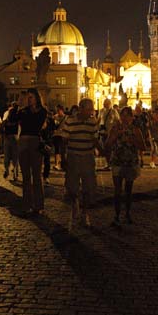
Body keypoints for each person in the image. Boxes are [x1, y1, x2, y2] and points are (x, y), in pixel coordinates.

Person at [61, 98, 101, 231]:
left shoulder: (92, 122)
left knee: (88, 187)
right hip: (73, 156)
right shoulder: (70, 121)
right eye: (89, 109)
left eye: (92, 109)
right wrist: (63, 157)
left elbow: (95, 139)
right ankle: (75, 204)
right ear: (81, 108)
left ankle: (85, 213)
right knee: (72, 187)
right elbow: (64, 140)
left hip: (87, 157)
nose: (91, 111)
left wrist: (103, 150)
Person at [105, 106, 146, 226]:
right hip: (117, 161)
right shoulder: (115, 128)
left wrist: (132, 140)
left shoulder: (136, 130)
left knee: (128, 190)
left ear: (132, 118)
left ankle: (127, 214)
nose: (125, 118)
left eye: (128, 115)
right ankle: (117, 215)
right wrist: (116, 135)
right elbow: (108, 144)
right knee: (117, 190)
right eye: (123, 115)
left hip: (130, 162)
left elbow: (143, 146)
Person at [17, 89, 47, 214]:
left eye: (31, 97)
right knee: (25, 176)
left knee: (36, 174)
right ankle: (27, 204)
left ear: (36, 98)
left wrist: (28, 111)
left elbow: (36, 125)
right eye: (27, 98)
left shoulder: (42, 111)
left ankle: (38, 205)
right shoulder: (22, 111)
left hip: (34, 141)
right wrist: (22, 106)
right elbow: (16, 121)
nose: (29, 100)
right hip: (23, 142)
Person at [97, 98, 120, 170]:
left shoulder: (113, 111)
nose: (104, 104)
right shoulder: (101, 111)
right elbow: (98, 120)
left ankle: (112, 163)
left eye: (106, 103)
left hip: (111, 133)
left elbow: (118, 120)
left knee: (111, 148)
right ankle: (108, 163)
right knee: (105, 148)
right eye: (104, 102)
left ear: (109, 104)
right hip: (103, 132)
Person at [1, 101, 20, 181]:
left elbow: (2, 126)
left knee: (7, 156)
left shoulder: (7, 114)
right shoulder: (18, 115)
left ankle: (7, 170)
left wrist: (4, 134)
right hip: (15, 137)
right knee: (15, 157)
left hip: (8, 137)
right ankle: (15, 174)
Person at [52, 105, 66, 170]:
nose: (57, 112)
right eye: (56, 110)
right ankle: (56, 164)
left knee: (62, 150)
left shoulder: (66, 118)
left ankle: (62, 164)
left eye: (58, 110)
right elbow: (52, 125)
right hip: (56, 135)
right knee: (57, 149)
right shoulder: (55, 117)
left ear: (62, 110)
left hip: (63, 135)